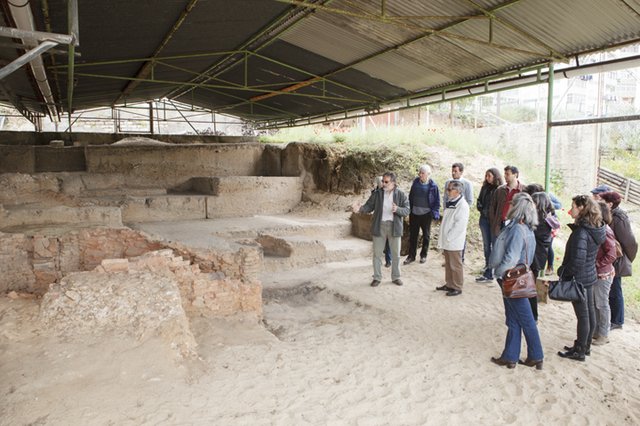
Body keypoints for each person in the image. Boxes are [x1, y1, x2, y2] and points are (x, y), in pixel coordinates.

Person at [489, 192, 543, 370]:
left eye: (512, 204)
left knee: (526, 319)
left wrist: (501, 273)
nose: (510, 206)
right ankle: (510, 356)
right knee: (513, 318)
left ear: (517, 208)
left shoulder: (517, 229)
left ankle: (536, 355)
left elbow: (511, 257)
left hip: (512, 279)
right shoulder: (528, 229)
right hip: (521, 277)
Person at [557, 195, 606, 362]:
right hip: (589, 275)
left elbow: (577, 260)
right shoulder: (595, 227)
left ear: (582, 209)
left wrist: (564, 272)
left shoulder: (582, 232)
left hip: (580, 278)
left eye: (574, 206)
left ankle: (580, 351)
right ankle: (585, 346)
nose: (571, 209)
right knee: (589, 313)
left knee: (583, 316)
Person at [357, 172, 410, 287]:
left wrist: (398, 209)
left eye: (386, 182)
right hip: (379, 226)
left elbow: (407, 210)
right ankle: (377, 277)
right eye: (383, 181)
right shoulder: (377, 194)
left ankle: (396, 277)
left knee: (396, 254)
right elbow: (368, 206)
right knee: (377, 254)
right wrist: (360, 209)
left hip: (394, 226)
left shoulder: (400, 194)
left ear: (393, 183)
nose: (383, 184)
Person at [599, 191, 638, 330]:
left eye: (602, 200)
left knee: (615, 290)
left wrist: (627, 259)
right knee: (611, 290)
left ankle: (618, 320)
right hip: (612, 257)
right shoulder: (611, 214)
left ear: (610, 204)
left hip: (618, 259)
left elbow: (630, 242)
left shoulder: (620, 218)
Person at [435, 180, 469, 296]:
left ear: (458, 191)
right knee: (449, 264)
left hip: (454, 240)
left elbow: (459, 225)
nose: (447, 191)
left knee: (455, 265)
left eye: (450, 189)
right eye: (447, 189)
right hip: (448, 239)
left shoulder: (463, 205)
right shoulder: (452, 202)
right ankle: (449, 284)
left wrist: (449, 237)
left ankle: (457, 286)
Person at [404, 164, 440, 265]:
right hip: (414, 213)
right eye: (419, 172)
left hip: (426, 215)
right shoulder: (415, 183)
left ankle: (423, 255)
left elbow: (437, 201)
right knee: (413, 236)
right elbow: (410, 196)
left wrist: (435, 213)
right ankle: (411, 256)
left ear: (428, 174)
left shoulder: (433, 186)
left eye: (422, 173)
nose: (420, 174)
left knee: (426, 236)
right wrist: (409, 209)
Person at [593, 201, 618, 345]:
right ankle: (597, 331)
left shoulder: (606, 231)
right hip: (598, 272)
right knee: (596, 303)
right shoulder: (599, 228)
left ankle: (604, 334)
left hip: (603, 273)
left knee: (602, 303)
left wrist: (597, 264)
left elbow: (612, 254)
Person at [528, 192, 555, 321]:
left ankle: (533, 316)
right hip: (534, 256)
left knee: (530, 286)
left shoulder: (544, 222)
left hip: (536, 257)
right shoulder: (540, 219)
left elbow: (536, 236)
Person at [476, 168, 504, 283]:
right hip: (484, 219)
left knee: (495, 246)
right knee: (486, 246)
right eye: (486, 176)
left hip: (494, 222)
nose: (487, 178)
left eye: (489, 176)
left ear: (495, 177)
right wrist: (481, 209)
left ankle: (493, 270)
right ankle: (488, 269)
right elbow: (479, 201)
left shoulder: (500, 190)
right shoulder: (484, 188)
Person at [489, 165, 526, 239]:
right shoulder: (500, 190)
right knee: (496, 249)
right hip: (499, 225)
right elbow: (492, 207)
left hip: (514, 226)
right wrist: (493, 222)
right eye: (504, 174)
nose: (505, 176)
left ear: (515, 175)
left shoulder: (524, 190)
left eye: (507, 174)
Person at [373, 176, 392, 268]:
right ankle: (378, 262)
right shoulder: (375, 193)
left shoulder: (391, 192)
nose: (383, 184)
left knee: (388, 242)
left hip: (388, 222)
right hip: (378, 222)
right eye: (381, 182)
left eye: (384, 182)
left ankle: (388, 260)